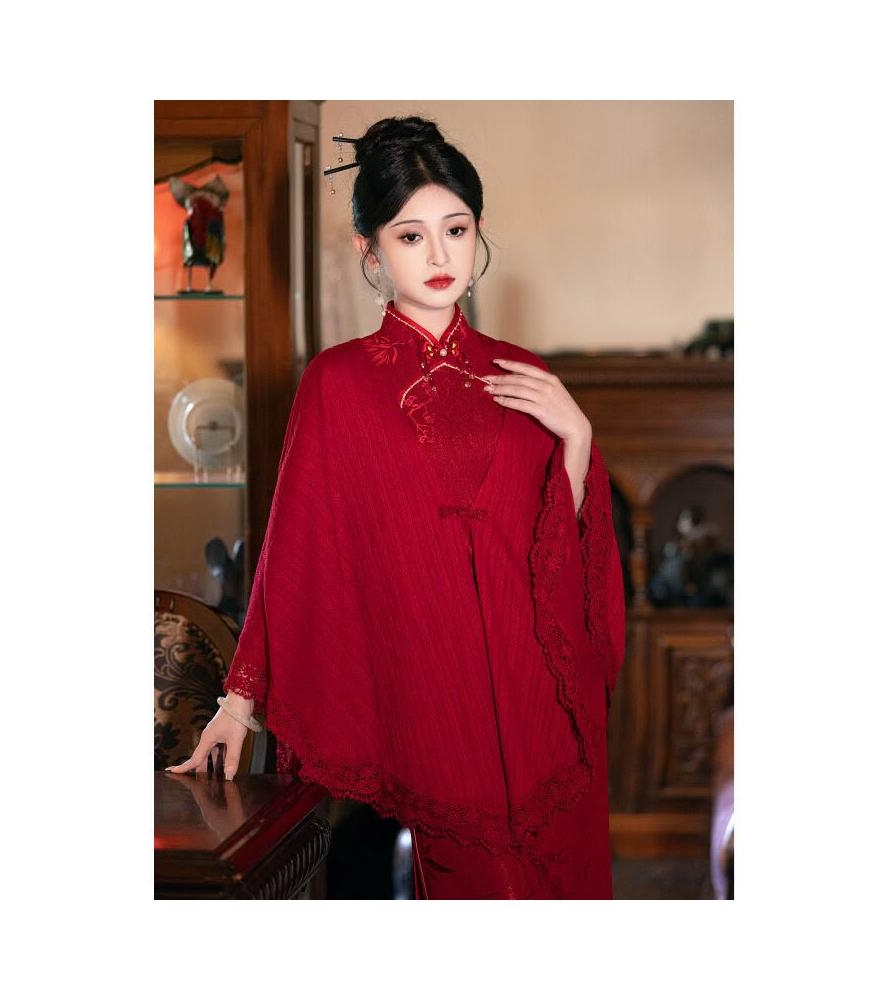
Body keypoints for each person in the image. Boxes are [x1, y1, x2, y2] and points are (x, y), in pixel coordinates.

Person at [166, 116, 627, 899]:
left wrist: (576, 439)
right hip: (436, 710)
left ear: (479, 231)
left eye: (456, 229)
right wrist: (236, 710)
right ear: (371, 251)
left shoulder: (526, 376)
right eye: (411, 236)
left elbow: (560, 550)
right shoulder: (338, 384)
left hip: (542, 705)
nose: (440, 256)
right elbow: (295, 553)